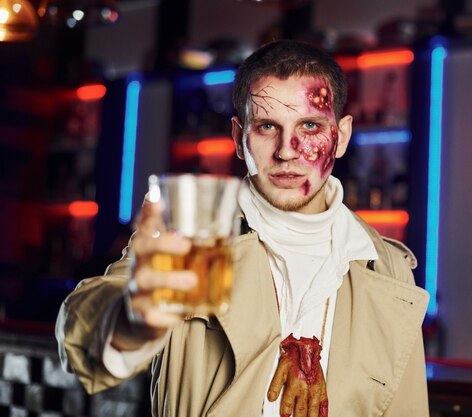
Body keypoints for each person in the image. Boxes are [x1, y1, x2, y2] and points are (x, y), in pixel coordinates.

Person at [56, 39, 430, 417]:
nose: (288, 149)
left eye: (311, 125)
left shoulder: (387, 267)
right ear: (239, 138)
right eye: (267, 126)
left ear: (343, 136)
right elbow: (84, 337)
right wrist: (133, 318)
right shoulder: (190, 239)